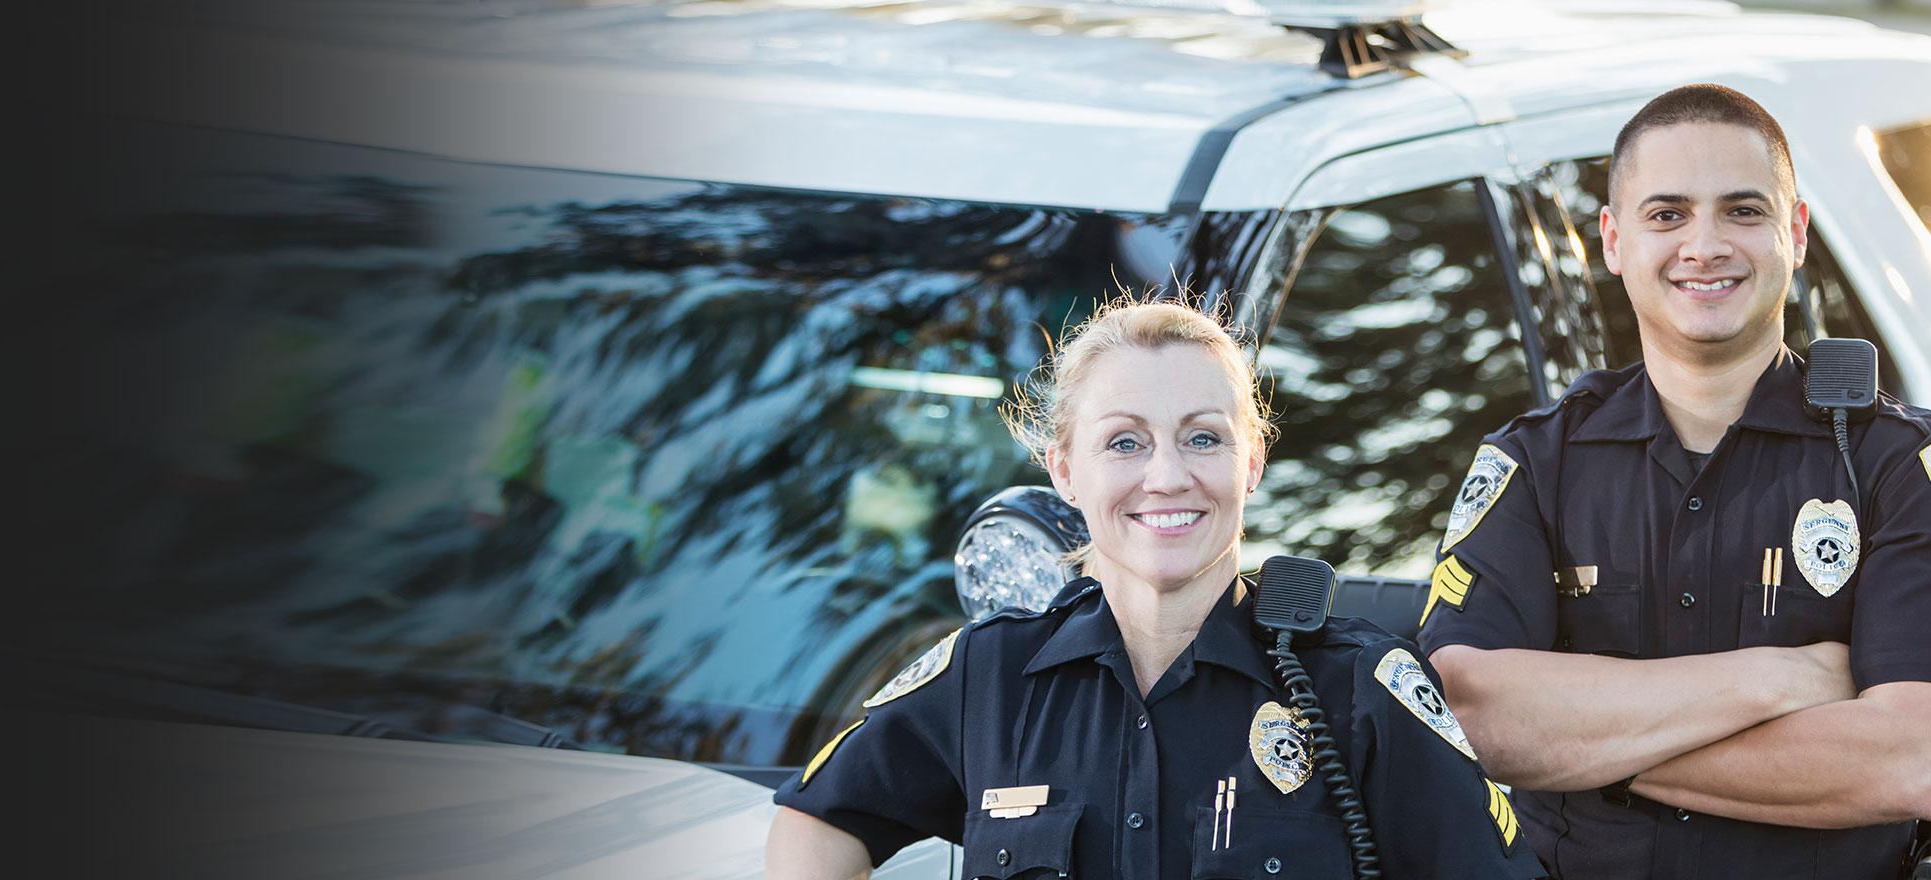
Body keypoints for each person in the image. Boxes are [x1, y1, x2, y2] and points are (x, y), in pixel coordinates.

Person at [766, 300, 1546, 878]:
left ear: (1251, 464)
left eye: (1203, 438)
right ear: (1065, 471)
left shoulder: (1360, 690)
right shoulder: (988, 678)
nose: (1167, 476)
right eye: (1125, 443)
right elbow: (818, 820)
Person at [1418, 83, 1931, 880]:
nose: (1705, 245)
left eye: (1743, 211)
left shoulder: (1896, 463)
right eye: (1667, 215)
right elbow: (1470, 710)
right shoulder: (1535, 462)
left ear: (1794, 232)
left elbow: (1910, 756)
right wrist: (1780, 678)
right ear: (1614, 241)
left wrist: (1585, 747)